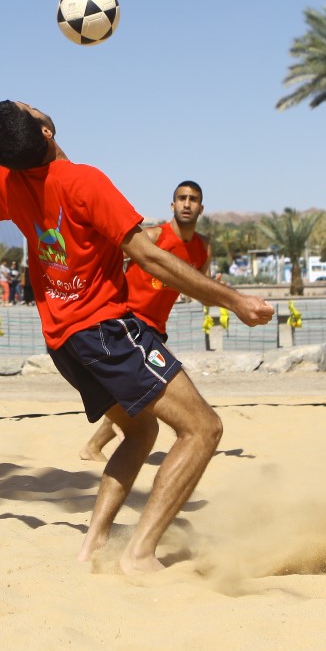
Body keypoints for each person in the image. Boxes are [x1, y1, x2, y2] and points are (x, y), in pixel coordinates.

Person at [0, 101, 274, 575]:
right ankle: (139, 554)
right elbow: (150, 258)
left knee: (141, 432)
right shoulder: (84, 182)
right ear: (46, 130)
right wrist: (234, 300)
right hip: (106, 331)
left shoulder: (7, 183)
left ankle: (92, 543)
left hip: (64, 344)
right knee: (204, 429)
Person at [80, 179, 209, 462]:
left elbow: (202, 288)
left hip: (155, 328)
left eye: (193, 199)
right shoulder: (153, 236)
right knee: (159, 386)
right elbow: (107, 255)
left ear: (201, 208)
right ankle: (188, 437)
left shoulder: (202, 248)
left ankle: (94, 446)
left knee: (140, 391)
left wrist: (215, 289)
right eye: (182, 198)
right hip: (129, 323)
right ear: (172, 205)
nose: (187, 204)